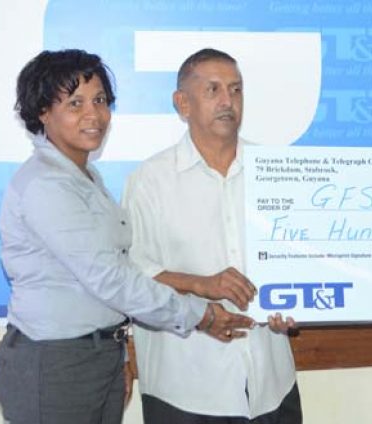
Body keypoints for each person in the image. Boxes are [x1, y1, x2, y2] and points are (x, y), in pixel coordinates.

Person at [0, 49, 254, 424]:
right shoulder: (46, 185)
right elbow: (111, 279)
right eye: (75, 103)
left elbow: (115, 273)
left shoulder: (85, 178)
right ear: (42, 113)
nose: (93, 114)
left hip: (97, 356)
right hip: (54, 364)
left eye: (99, 100)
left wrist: (123, 354)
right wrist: (201, 316)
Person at [122, 48, 301, 423]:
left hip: (270, 381)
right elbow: (131, 280)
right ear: (182, 103)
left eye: (236, 90)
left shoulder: (278, 171)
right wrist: (201, 284)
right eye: (214, 90)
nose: (227, 101)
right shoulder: (150, 181)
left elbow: (301, 263)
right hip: (186, 391)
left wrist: (301, 306)